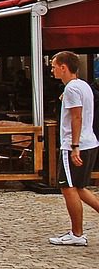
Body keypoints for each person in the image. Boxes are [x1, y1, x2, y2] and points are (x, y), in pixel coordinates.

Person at [51, 51, 99, 246]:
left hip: (75, 143)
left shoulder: (72, 89)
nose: (52, 69)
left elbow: (76, 117)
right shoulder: (83, 85)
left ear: (64, 67)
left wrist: (75, 146)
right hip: (91, 141)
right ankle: (76, 233)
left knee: (68, 187)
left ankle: (77, 234)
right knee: (79, 187)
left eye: (54, 66)